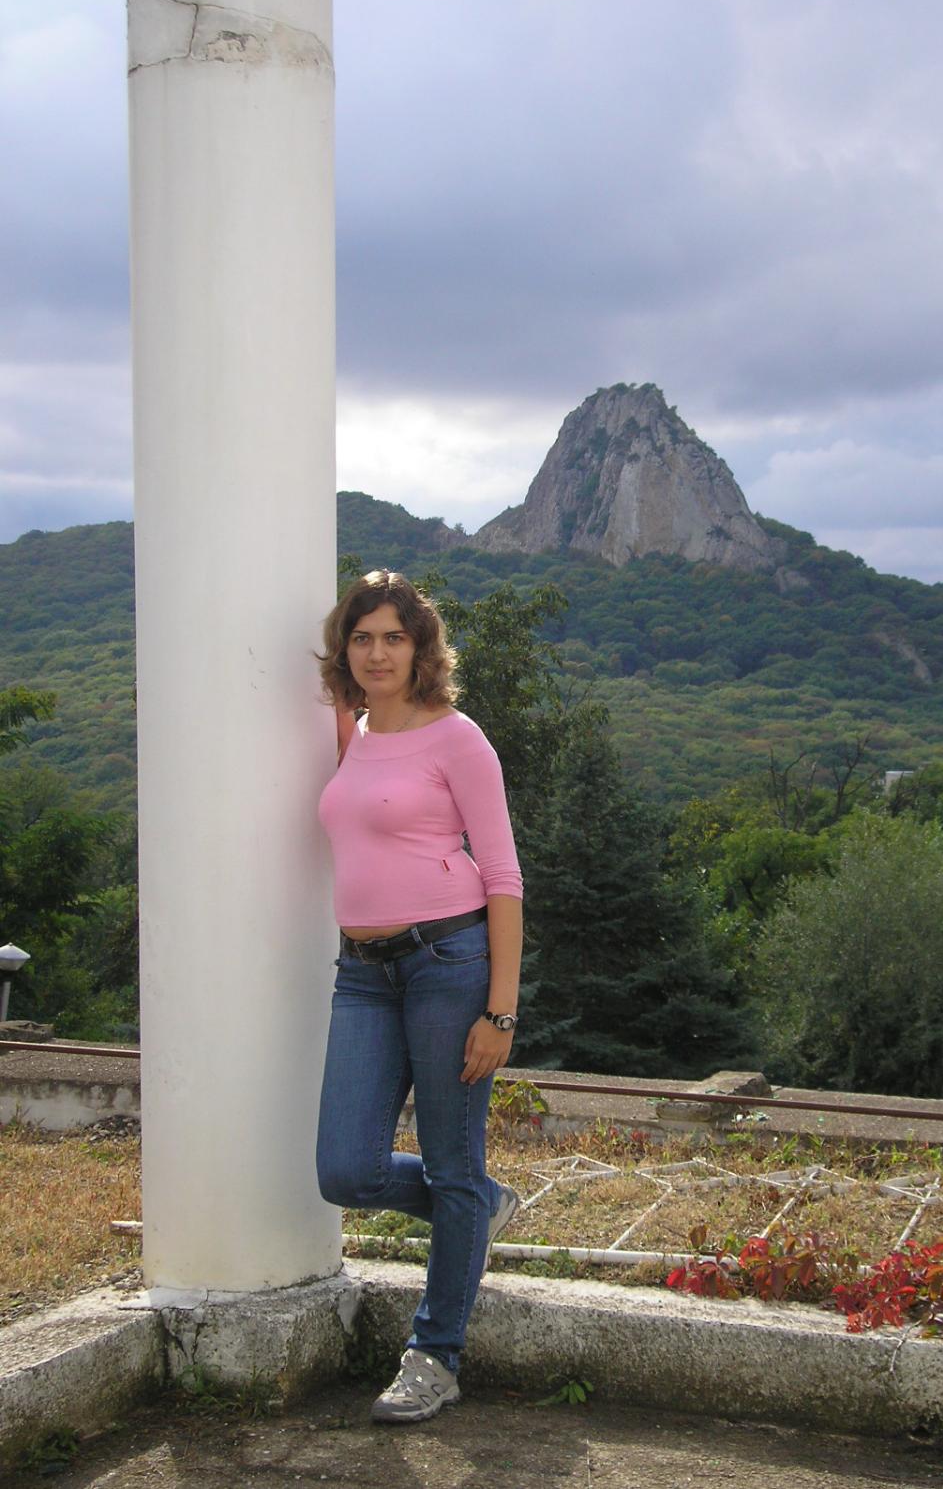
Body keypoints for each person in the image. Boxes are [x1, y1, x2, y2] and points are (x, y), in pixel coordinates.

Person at [315, 569, 523, 1424]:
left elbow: (503, 875)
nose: (377, 653)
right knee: (346, 1169)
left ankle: (434, 1356)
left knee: (450, 1160)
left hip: (449, 963)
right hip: (362, 974)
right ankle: (479, 1204)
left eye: (393, 637)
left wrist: (499, 1011)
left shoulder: (458, 739)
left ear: (420, 647)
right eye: (362, 637)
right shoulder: (355, 730)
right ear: (345, 648)